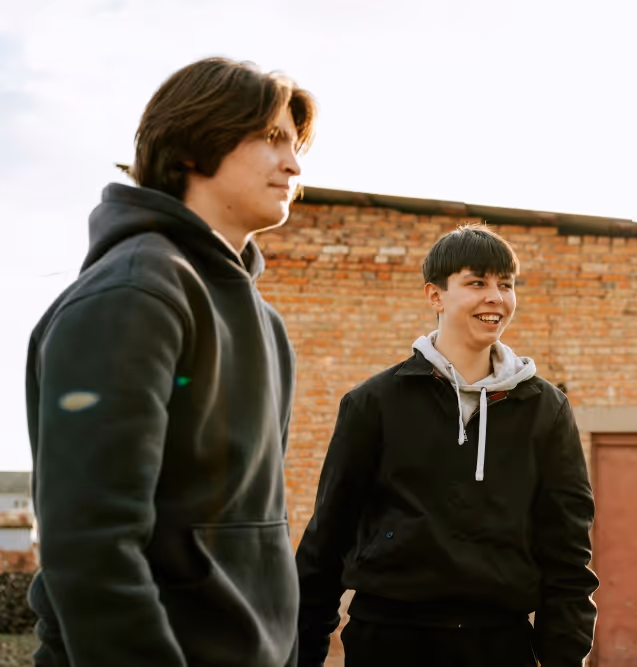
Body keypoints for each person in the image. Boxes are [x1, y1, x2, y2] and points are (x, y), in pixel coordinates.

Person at [25, 57, 316, 667]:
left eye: (296, 145)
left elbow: (259, 535)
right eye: (269, 139)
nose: (293, 163)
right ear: (190, 148)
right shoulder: (134, 294)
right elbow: (91, 547)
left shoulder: (266, 323)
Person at [296, 224, 599, 667]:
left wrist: (563, 658)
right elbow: (327, 540)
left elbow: (568, 551)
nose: (496, 297)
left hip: (499, 644)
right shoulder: (373, 403)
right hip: (388, 641)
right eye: (477, 282)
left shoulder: (545, 409)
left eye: (506, 284)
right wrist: (302, 652)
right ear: (435, 296)